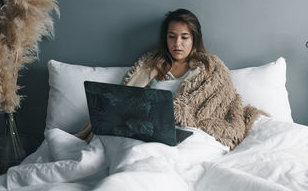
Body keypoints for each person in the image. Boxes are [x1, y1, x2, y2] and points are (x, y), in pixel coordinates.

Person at [77, 9, 265, 149]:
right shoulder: (150, 66)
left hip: (191, 133)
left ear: (194, 39)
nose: (177, 44)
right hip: (148, 131)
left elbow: (221, 104)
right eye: (172, 37)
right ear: (165, 38)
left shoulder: (211, 68)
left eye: (184, 37)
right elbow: (128, 100)